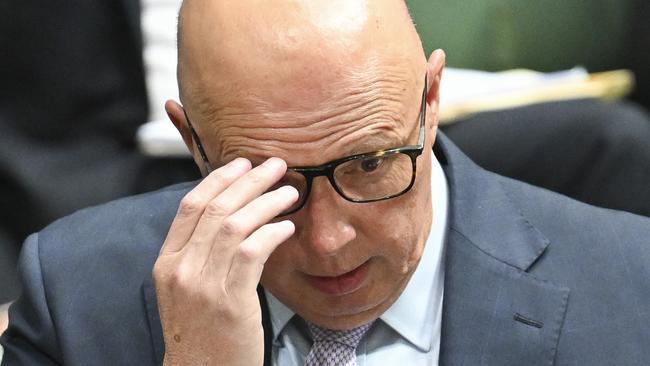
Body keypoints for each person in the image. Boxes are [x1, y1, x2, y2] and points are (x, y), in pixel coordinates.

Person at [2, 1, 650, 365]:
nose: (328, 242)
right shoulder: (71, 300)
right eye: (268, 183)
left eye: (369, 165)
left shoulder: (631, 290)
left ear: (430, 100)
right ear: (193, 142)